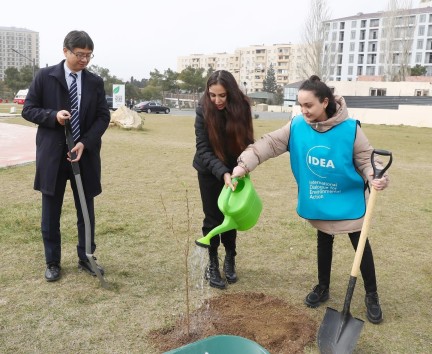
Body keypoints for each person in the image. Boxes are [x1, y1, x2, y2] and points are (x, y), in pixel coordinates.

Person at [231, 75, 389, 323]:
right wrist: (243, 166)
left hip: (348, 198)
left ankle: (372, 295)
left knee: (361, 246)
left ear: (325, 102)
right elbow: (268, 144)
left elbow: (366, 159)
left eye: (309, 106)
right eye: (300, 105)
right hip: (319, 197)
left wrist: (375, 175)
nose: (303, 111)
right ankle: (322, 287)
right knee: (323, 241)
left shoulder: (350, 129)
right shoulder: (296, 126)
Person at [22, 30, 111, 282]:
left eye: (88, 55)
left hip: (84, 155)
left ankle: (87, 257)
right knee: (51, 210)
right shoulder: (45, 76)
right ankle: (52, 262)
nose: (84, 60)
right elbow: (28, 110)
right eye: (79, 54)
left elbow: (103, 116)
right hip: (53, 155)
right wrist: (53, 116)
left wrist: (85, 142)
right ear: (65, 51)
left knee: (86, 209)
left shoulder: (94, 82)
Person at [193, 70, 254, 290]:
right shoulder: (202, 109)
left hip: (236, 169)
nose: (217, 100)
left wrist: (241, 168)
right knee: (213, 218)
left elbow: (248, 142)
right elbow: (202, 148)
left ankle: (230, 257)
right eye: (212, 95)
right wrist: (222, 173)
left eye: (222, 96)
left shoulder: (243, 107)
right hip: (209, 170)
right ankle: (212, 263)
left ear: (231, 93)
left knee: (232, 214)